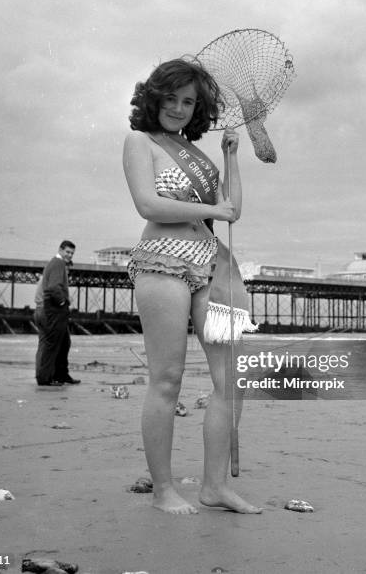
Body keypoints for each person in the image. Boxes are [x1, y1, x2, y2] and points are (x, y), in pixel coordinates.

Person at [123, 58, 261, 515]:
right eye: (172, 98)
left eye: (189, 101)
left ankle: (214, 486)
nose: (180, 108)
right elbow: (147, 204)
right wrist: (215, 213)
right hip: (162, 260)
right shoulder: (139, 142)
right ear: (154, 97)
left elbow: (230, 209)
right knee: (167, 379)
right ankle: (164, 489)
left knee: (230, 379)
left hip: (212, 263)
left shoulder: (201, 157)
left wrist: (231, 157)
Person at [35, 240, 81, 386]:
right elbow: (53, 287)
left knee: (63, 342)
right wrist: (62, 302)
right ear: (60, 250)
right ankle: (45, 378)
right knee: (52, 345)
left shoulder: (53, 263)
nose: (70, 255)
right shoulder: (58, 263)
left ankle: (61, 375)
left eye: (72, 253)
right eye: (67, 252)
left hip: (47, 308)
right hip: (53, 308)